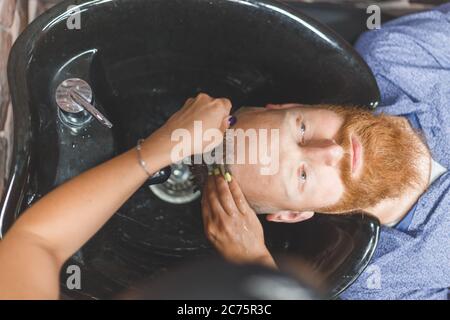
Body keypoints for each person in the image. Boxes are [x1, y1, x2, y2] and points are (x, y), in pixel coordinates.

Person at [202, 4, 450, 299]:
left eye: (302, 130)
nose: (331, 151)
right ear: (294, 214)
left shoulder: (392, 57)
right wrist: (258, 267)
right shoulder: (377, 284)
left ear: (291, 106)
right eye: (302, 175)